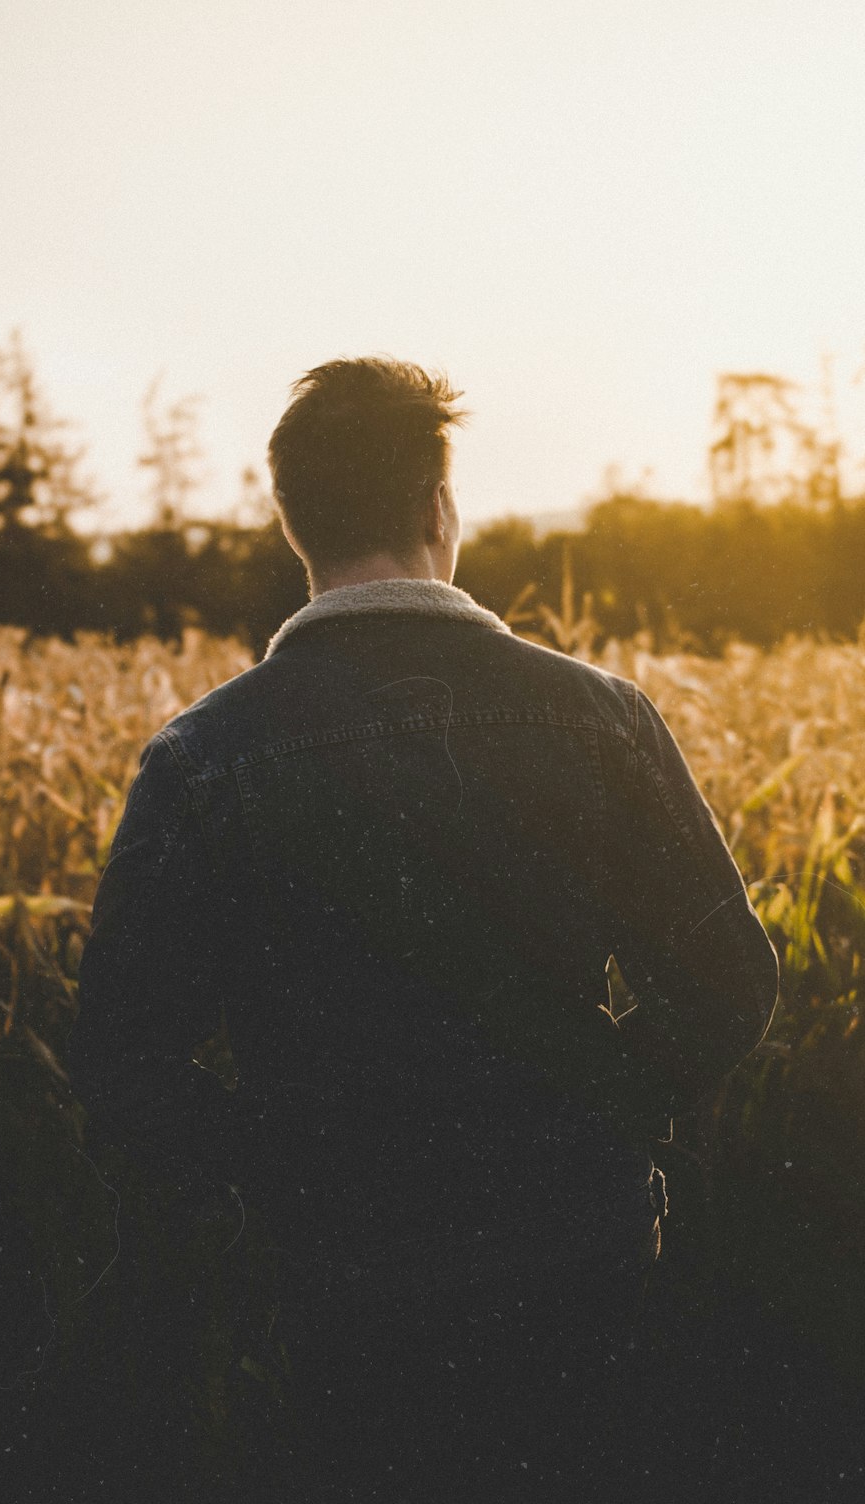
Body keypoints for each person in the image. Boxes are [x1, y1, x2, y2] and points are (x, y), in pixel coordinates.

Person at [67, 357, 778, 1501]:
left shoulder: (202, 758)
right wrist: (591, 1107)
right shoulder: (599, 716)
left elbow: (122, 1055)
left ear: (291, 520)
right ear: (440, 506)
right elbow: (730, 981)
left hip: (346, 1276)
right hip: (576, 1247)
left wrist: (289, 1172)